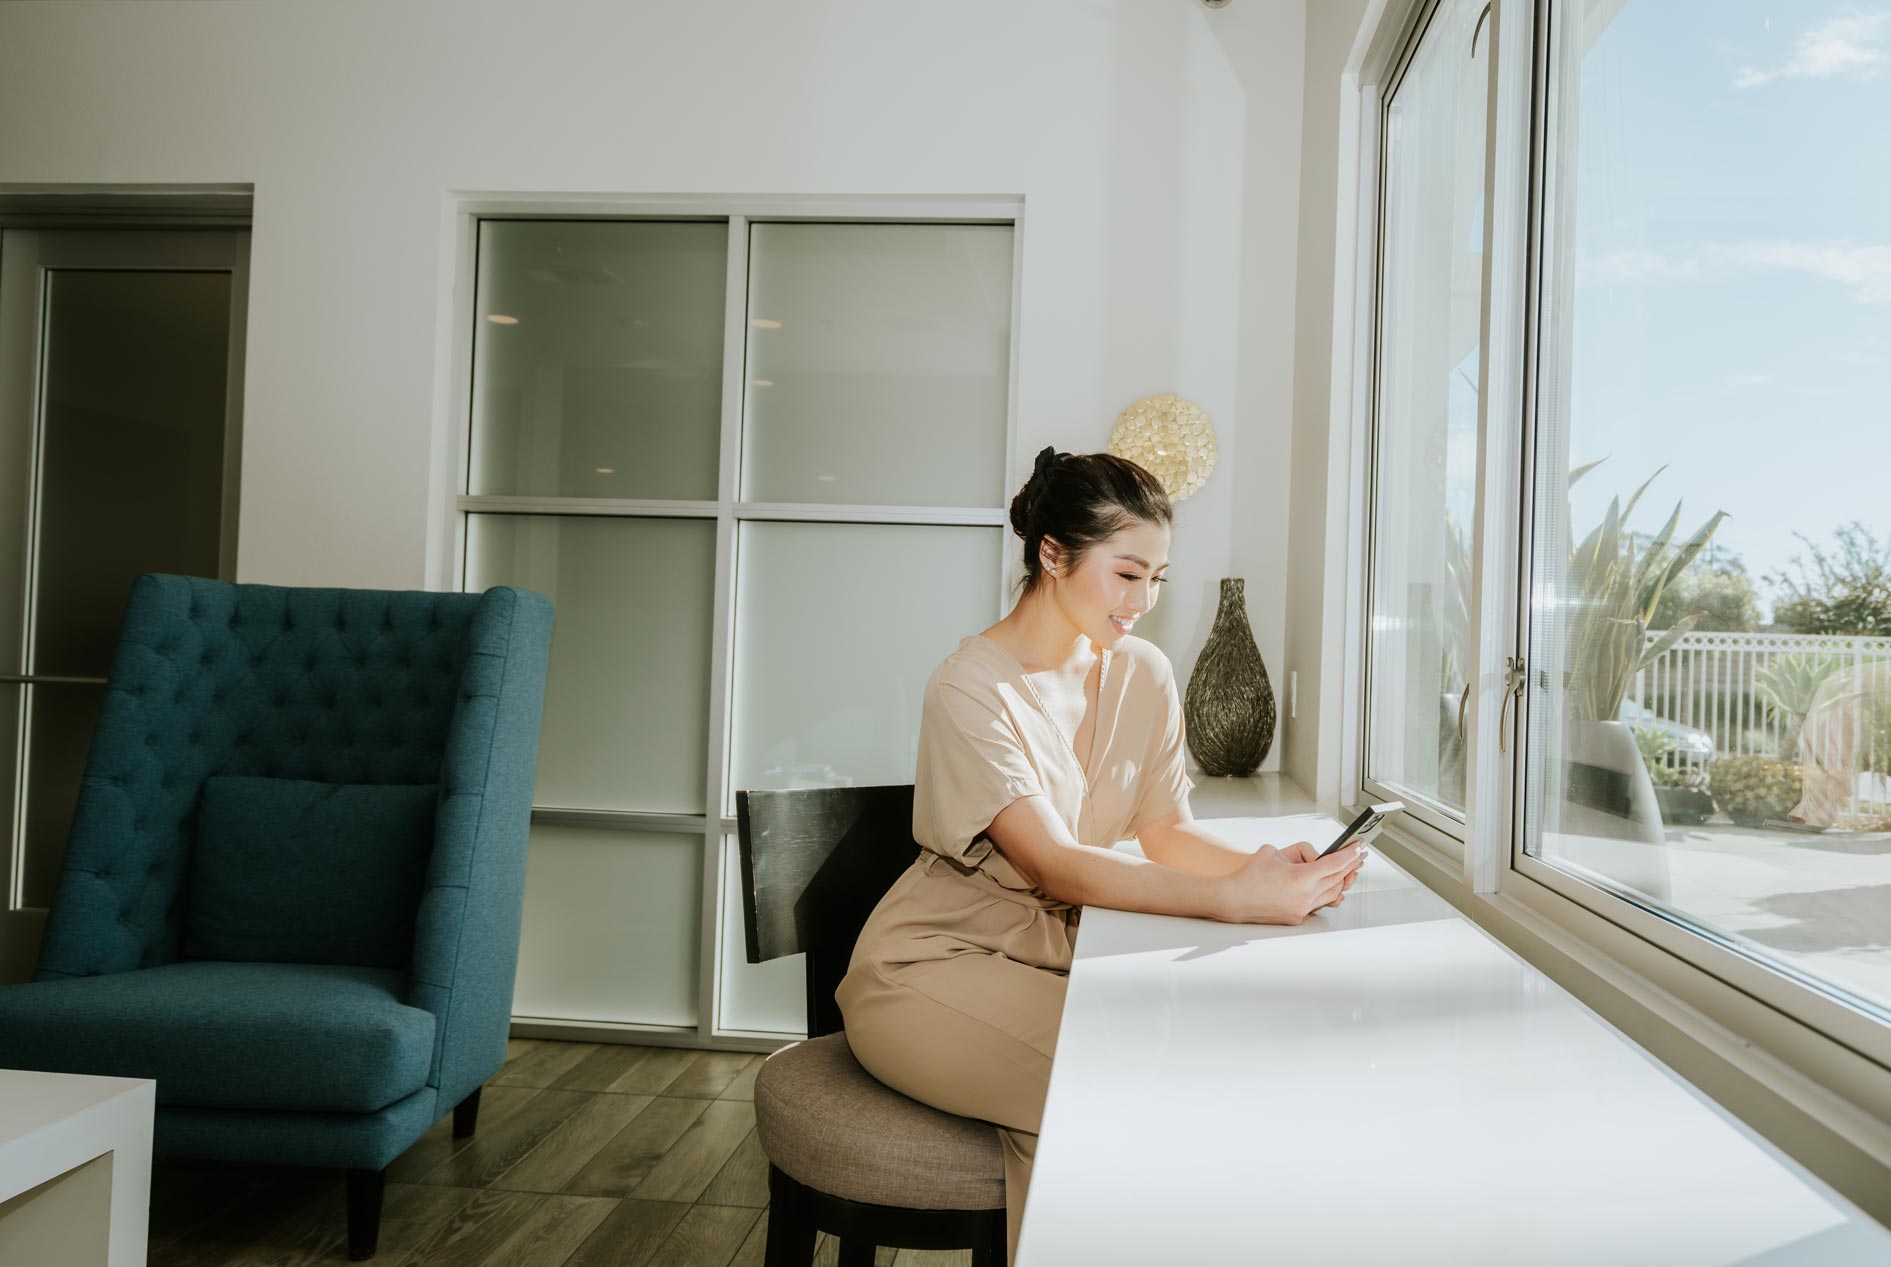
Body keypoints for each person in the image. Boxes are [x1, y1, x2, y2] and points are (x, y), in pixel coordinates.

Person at [834, 445, 1366, 1262]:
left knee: (1111, 1111)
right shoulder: (971, 686)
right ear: (1052, 554)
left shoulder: (1144, 673)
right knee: (1124, 1090)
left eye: (1157, 578)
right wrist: (1235, 900)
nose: (1144, 601)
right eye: (1126, 574)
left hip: (1053, 961)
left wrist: (1261, 868)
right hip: (929, 967)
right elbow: (1051, 861)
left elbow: (1163, 828)